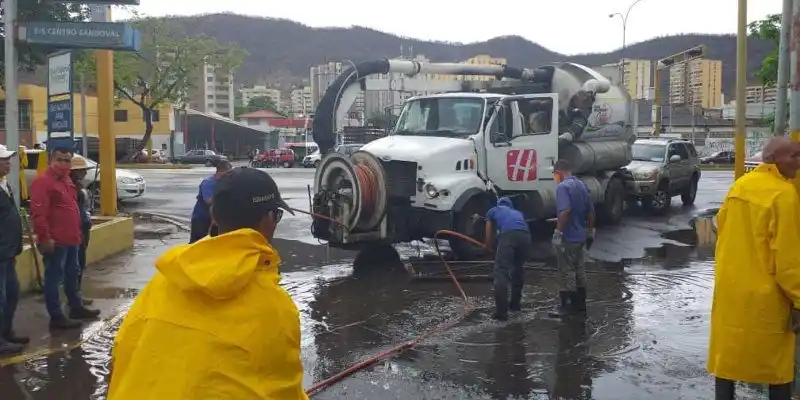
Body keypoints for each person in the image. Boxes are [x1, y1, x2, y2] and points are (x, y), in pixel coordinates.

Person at [107, 167, 306, 399]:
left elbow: (122, 349)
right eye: (277, 215)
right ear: (267, 219)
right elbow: (284, 391)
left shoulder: (166, 278)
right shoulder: (275, 307)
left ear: (214, 216)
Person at [708, 137, 800, 400]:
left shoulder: (741, 186)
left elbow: (720, 227)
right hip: (768, 296)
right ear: (773, 159)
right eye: (793, 156)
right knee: (777, 367)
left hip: (731, 290)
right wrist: (799, 299)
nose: (799, 162)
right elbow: (789, 258)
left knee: (727, 360)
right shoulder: (784, 194)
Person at [30, 147, 100, 330]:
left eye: (67, 160)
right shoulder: (42, 182)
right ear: (51, 161)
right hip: (56, 242)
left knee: (72, 274)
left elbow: (71, 209)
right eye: (60, 160)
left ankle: (75, 307)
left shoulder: (67, 180)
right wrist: (45, 238)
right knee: (54, 278)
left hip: (72, 239)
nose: (64, 164)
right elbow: (38, 214)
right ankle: (56, 316)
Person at [550, 159, 595, 318]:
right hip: (581, 236)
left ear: (559, 172)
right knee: (579, 270)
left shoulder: (563, 187)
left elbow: (565, 211)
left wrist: (558, 233)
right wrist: (590, 231)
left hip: (568, 238)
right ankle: (580, 305)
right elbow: (590, 212)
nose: (555, 178)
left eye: (555, 175)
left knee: (565, 271)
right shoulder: (581, 185)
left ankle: (565, 306)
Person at [0, 145, 28, 355]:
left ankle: (6, 332)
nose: (9, 163)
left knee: (11, 293)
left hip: (8, 253)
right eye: (4, 160)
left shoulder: (5, 184)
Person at [484, 196, 531, 321]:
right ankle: (515, 305)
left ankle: (501, 312)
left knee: (501, 272)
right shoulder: (517, 212)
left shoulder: (493, 210)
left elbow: (489, 230)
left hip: (509, 235)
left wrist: (487, 246)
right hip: (526, 236)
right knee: (518, 268)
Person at [189, 159, 232, 243]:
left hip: (215, 219)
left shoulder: (223, 182)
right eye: (228, 173)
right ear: (222, 171)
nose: (230, 176)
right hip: (201, 218)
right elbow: (208, 200)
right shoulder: (208, 182)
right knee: (197, 243)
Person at [69, 155, 93, 305]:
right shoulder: (72, 189)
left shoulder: (80, 187)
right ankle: (74, 298)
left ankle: (77, 295)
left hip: (84, 227)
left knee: (81, 263)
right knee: (76, 265)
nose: (84, 172)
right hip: (76, 229)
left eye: (84, 170)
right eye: (80, 170)